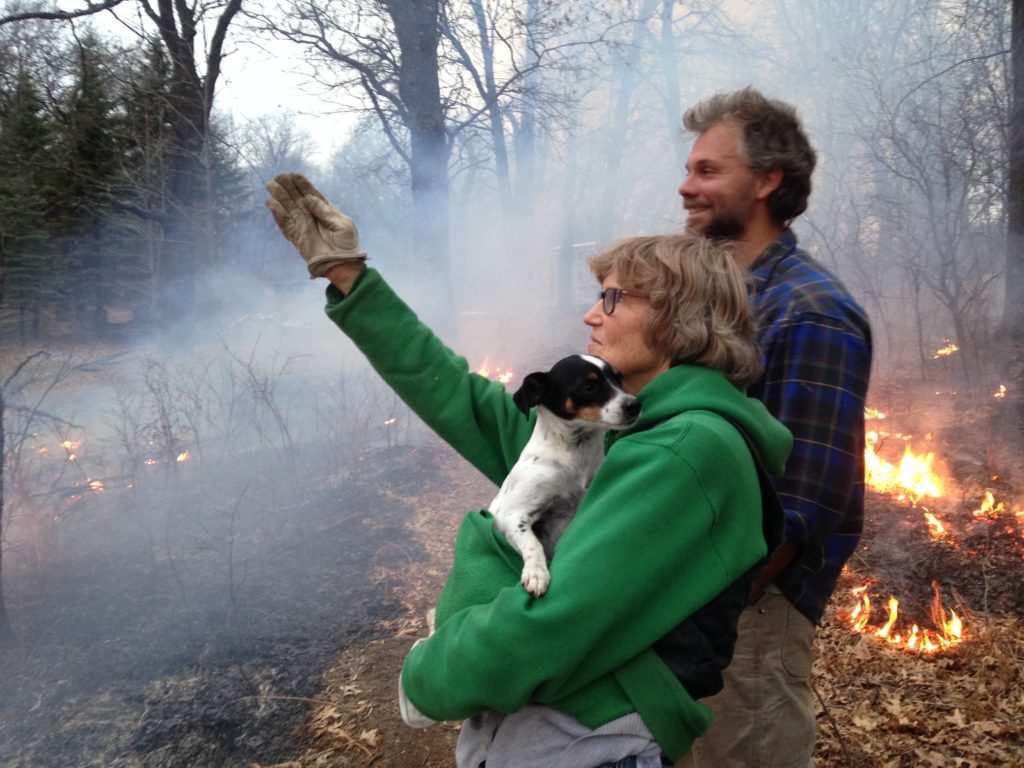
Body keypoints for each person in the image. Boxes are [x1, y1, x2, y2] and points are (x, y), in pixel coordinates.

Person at [265, 172, 793, 767]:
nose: (592, 315)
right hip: (551, 738)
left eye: (613, 298)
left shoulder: (687, 450)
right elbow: (458, 397)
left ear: (677, 318)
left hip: (593, 746)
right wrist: (351, 279)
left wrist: (427, 675)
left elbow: (556, 622)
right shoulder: (614, 433)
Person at [676, 88, 873, 767]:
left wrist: (707, 612)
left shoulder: (810, 311)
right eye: (690, 169)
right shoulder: (715, 298)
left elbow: (801, 508)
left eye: (707, 171)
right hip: (686, 599)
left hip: (746, 618)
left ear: (766, 181)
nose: (686, 185)